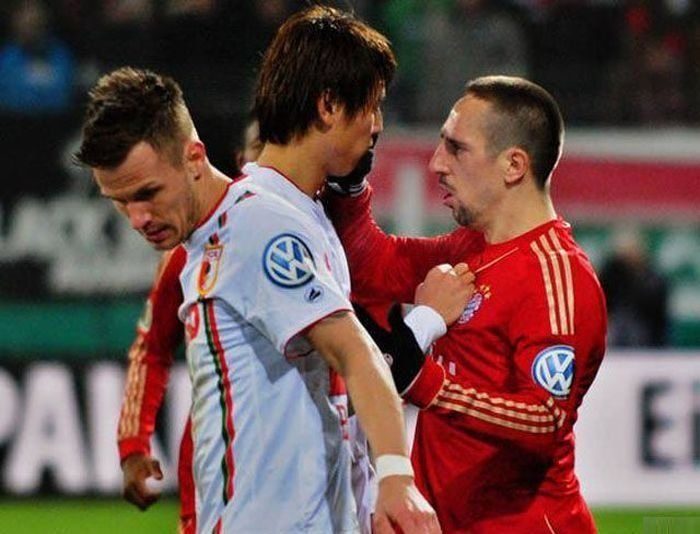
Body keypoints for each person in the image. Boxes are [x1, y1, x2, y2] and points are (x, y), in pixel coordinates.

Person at [77, 7, 462, 533]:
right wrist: (394, 477)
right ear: (329, 106)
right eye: (122, 202)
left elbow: (349, 360)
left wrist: (388, 480)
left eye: (147, 193)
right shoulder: (257, 224)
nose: (137, 218)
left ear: (194, 157)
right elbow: (351, 360)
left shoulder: (263, 223)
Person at [326, 75, 607, 532]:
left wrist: (426, 382)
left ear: (513, 165)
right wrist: (351, 186)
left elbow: (545, 420)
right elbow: (372, 264)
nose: (436, 163)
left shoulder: (559, 277)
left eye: (456, 148)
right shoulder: (470, 248)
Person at [116, 117, 264, 534]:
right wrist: (133, 444)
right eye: (262, 148)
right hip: (216, 475)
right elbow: (152, 347)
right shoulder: (192, 250)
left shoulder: (332, 240)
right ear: (242, 160)